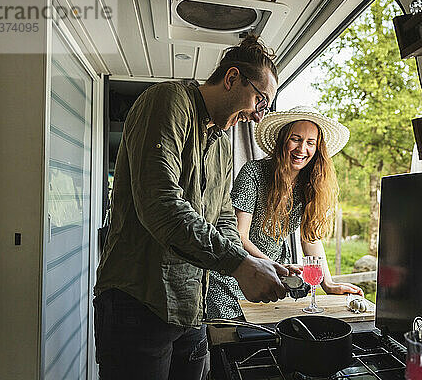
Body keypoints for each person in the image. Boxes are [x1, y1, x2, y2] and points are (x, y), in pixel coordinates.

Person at [93, 35, 291, 380]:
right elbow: (160, 203)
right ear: (232, 78)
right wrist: (239, 264)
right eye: (260, 101)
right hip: (139, 303)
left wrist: (256, 261)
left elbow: (225, 216)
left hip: (190, 307)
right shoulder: (168, 100)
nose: (259, 117)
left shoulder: (220, 143)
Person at [207, 106, 364, 320]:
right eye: (296, 139)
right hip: (235, 276)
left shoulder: (310, 183)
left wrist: (328, 283)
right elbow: (238, 237)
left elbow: (310, 237)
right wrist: (276, 267)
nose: (302, 149)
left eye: (310, 143)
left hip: (274, 278)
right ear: (282, 140)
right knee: (236, 343)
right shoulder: (254, 173)